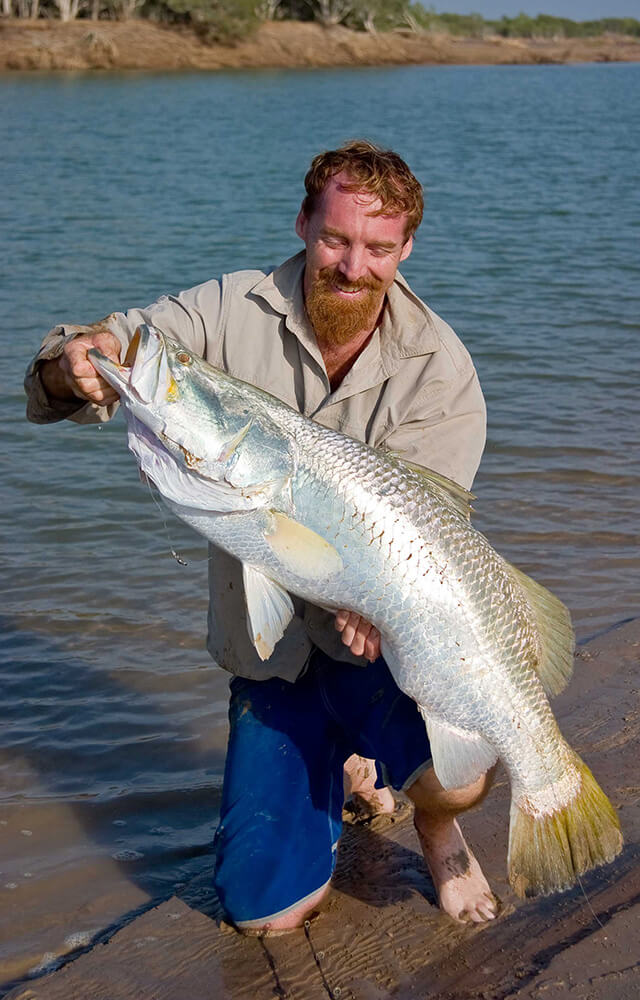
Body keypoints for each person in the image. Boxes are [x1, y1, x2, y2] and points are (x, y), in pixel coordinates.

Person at [26, 140, 497, 931]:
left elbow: (430, 534)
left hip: (376, 643)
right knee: (261, 915)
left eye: (379, 248)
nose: (353, 266)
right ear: (304, 223)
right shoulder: (228, 306)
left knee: (464, 769)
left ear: (406, 249)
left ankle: (435, 824)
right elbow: (116, 347)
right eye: (335, 239)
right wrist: (73, 364)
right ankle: (347, 765)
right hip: (270, 656)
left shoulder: (441, 371)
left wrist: (377, 602)